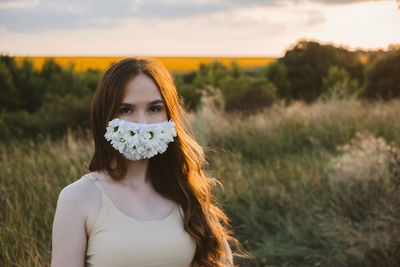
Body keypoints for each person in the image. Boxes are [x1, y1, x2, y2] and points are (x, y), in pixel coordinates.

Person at [50, 57, 247, 267]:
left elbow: (221, 261)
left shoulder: (186, 189)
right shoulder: (78, 198)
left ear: (168, 115)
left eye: (153, 109)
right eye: (126, 110)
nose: (141, 124)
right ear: (104, 117)